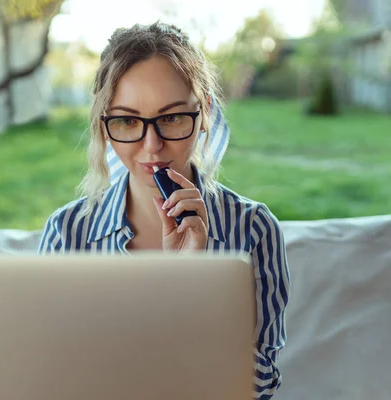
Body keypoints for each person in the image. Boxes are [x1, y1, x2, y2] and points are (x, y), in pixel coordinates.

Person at [37, 21, 290, 399]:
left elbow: (261, 387)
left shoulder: (253, 230)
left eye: (171, 117)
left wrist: (191, 287)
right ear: (105, 126)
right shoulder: (67, 233)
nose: (152, 146)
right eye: (127, 120)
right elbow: (47, 374)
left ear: (203, 112)